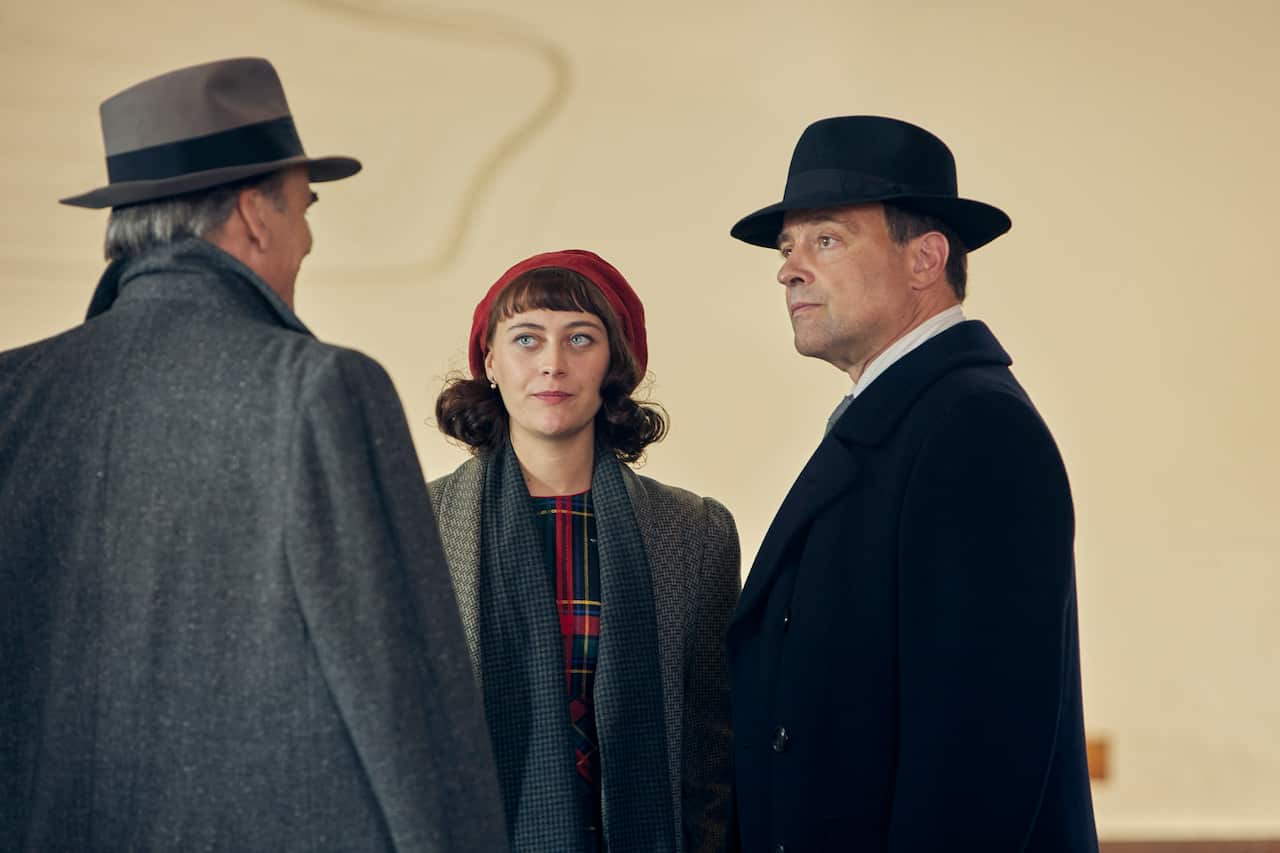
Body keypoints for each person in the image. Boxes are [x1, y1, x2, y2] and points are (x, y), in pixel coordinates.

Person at [0, 57, 506, 851]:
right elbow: (412, 712)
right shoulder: (321, 391)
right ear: (254, 216)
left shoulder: (11, 395)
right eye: (306, 208)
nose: (306, 239)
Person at [725, 116, 1098, 851]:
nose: (789, 267)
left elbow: (979, 753)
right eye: (787, 247)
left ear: (925, 258)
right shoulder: (913, 417)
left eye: (825, 239)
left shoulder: (975, 428)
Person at [430, 249, 740, 853]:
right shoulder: (417, 525)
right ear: (490, 361)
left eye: (580, 338)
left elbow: (713, 745)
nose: (552, 363)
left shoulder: (695, 531)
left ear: (614, 364)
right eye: (526, 339)